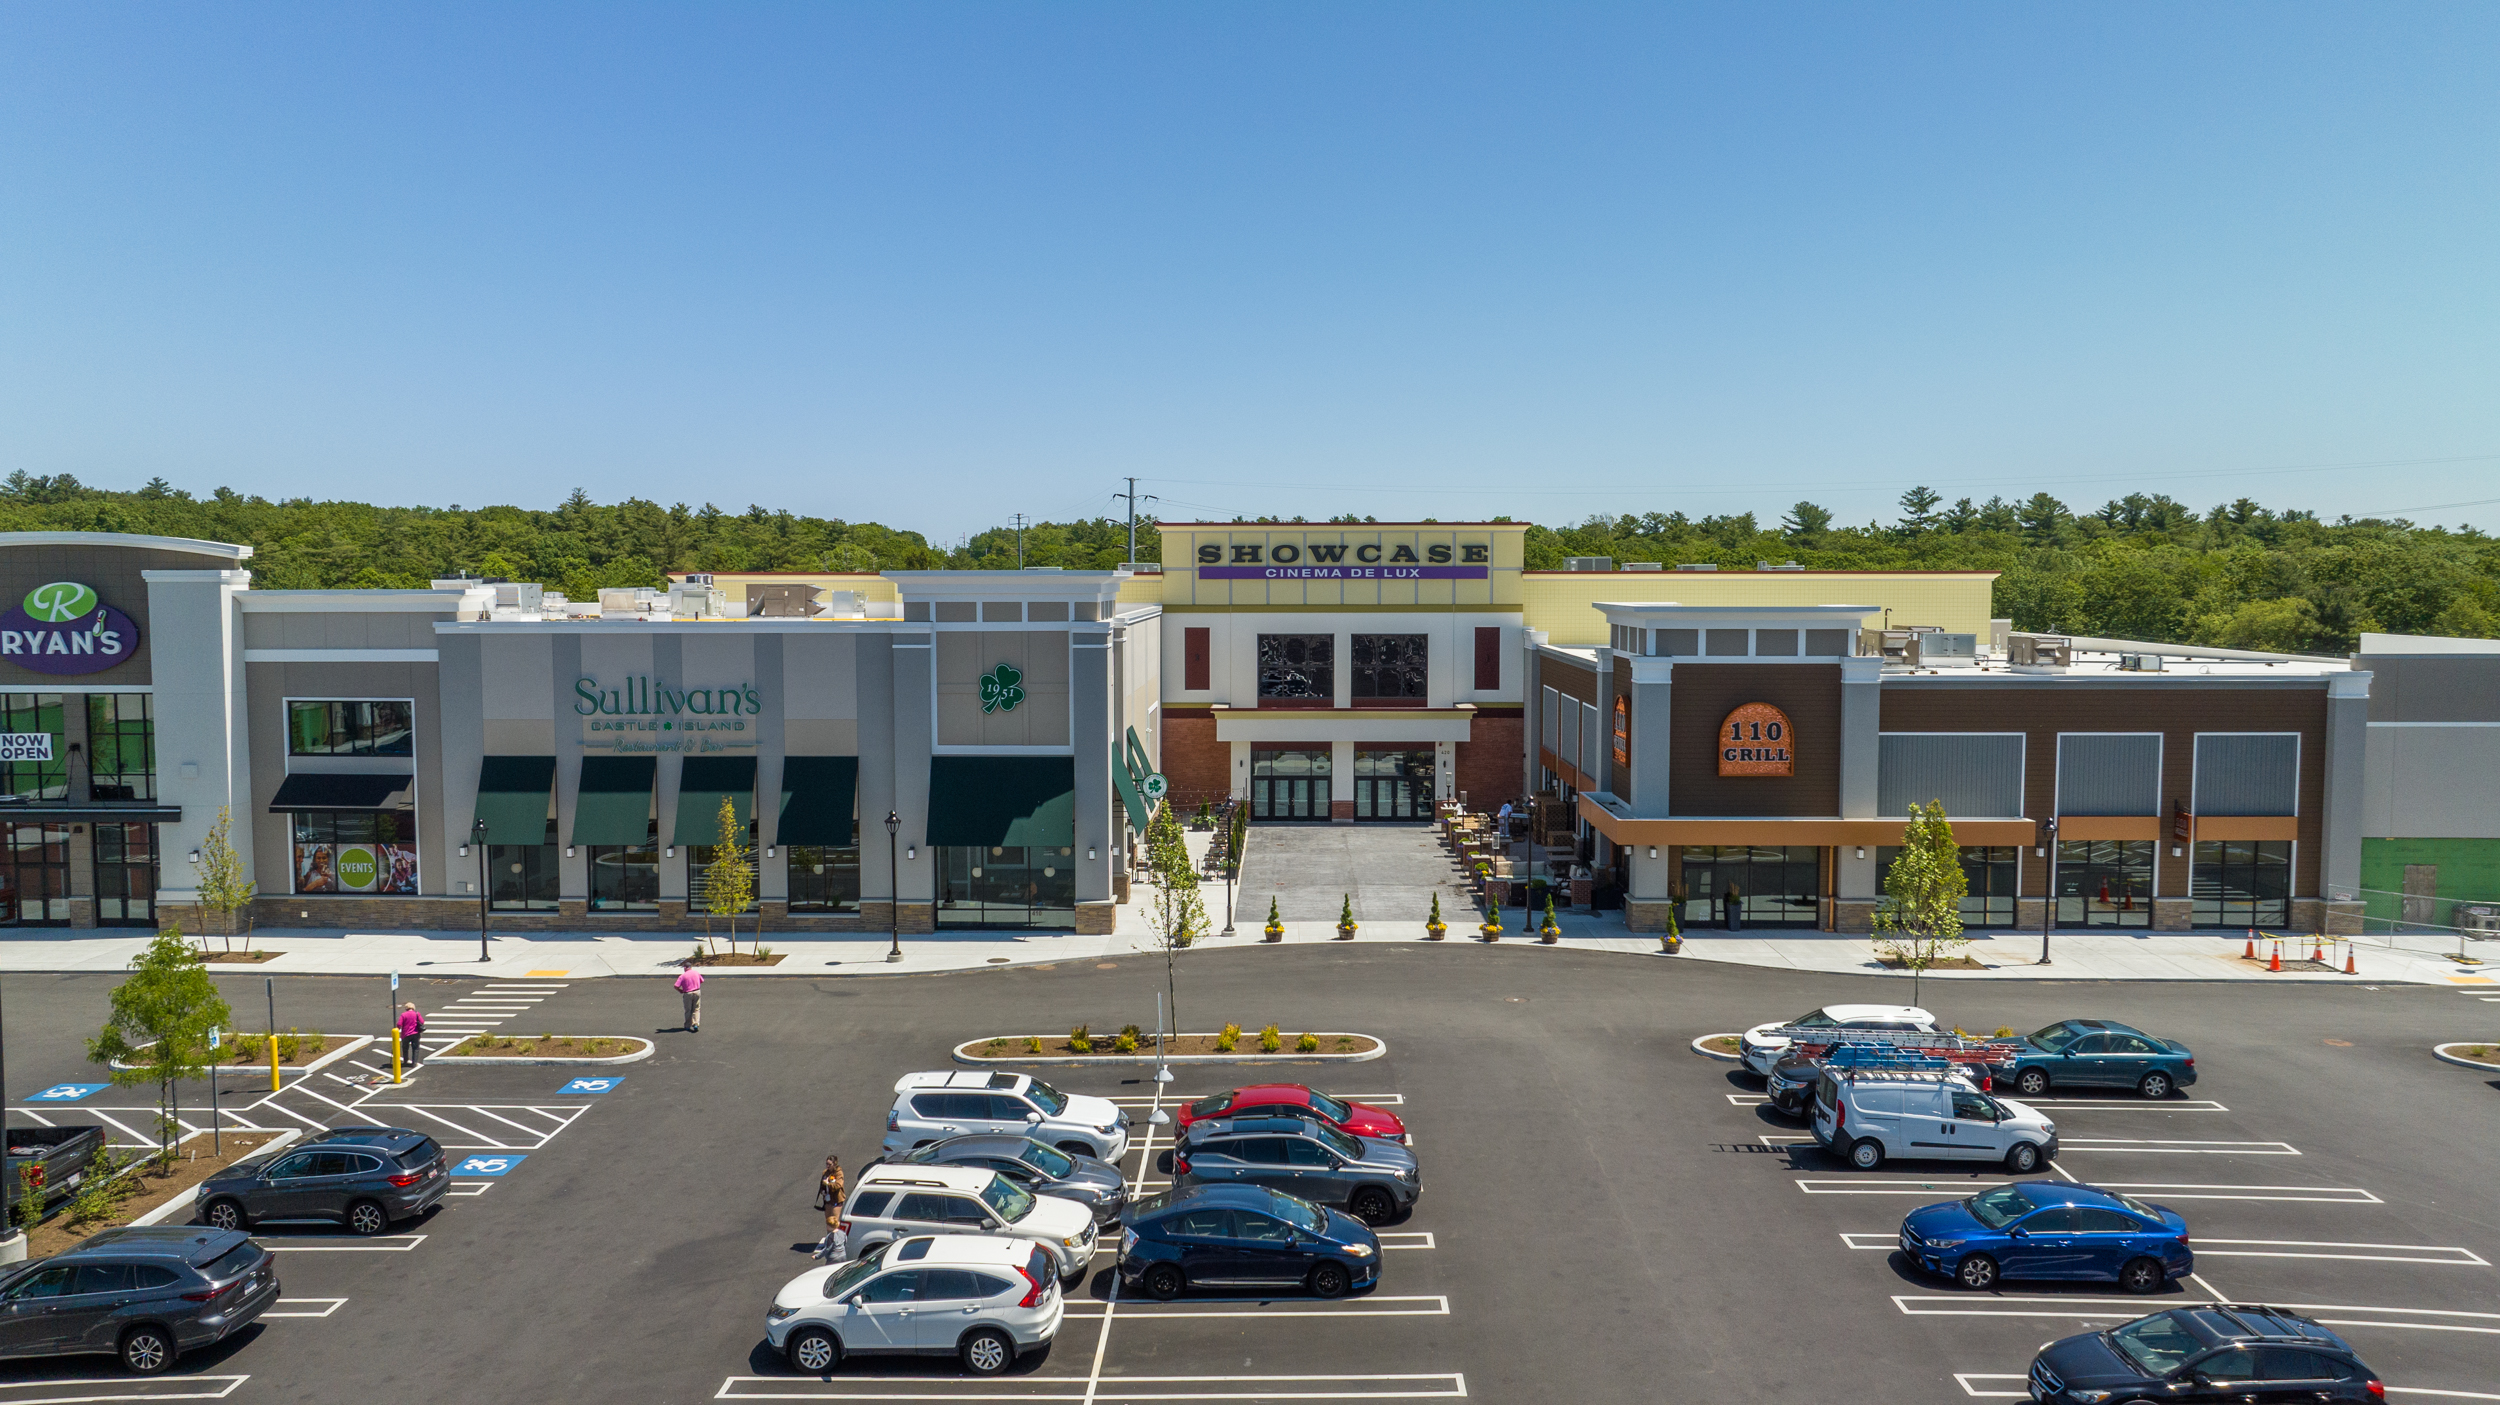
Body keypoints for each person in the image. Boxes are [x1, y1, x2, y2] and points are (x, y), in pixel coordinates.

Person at [811, 1155, 847, 1262]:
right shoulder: (825, 1172)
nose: (827, 1166)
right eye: (826, 1164)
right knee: (828, 1221)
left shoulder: (839, 1173)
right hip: (828, 1200)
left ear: (834, 1164)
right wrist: (823, 1189)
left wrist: (828, 1184)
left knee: (834, 1222)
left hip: (836, 1200)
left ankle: (837, 1243)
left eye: (829, 1164)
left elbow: (838, 1185)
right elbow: (822, 1184)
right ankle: (828, 1242)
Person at [675, 962, 703, 1032]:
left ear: (685, 967)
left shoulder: (683, 976)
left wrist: (680, 990)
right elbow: (701, 980)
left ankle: (687, 1025)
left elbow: (676, 986)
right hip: (697, 991)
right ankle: (696, 1023)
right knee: (696, 1009)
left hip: (688, 993)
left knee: (688, 1010)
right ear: (691, 967)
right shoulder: (696, 973)